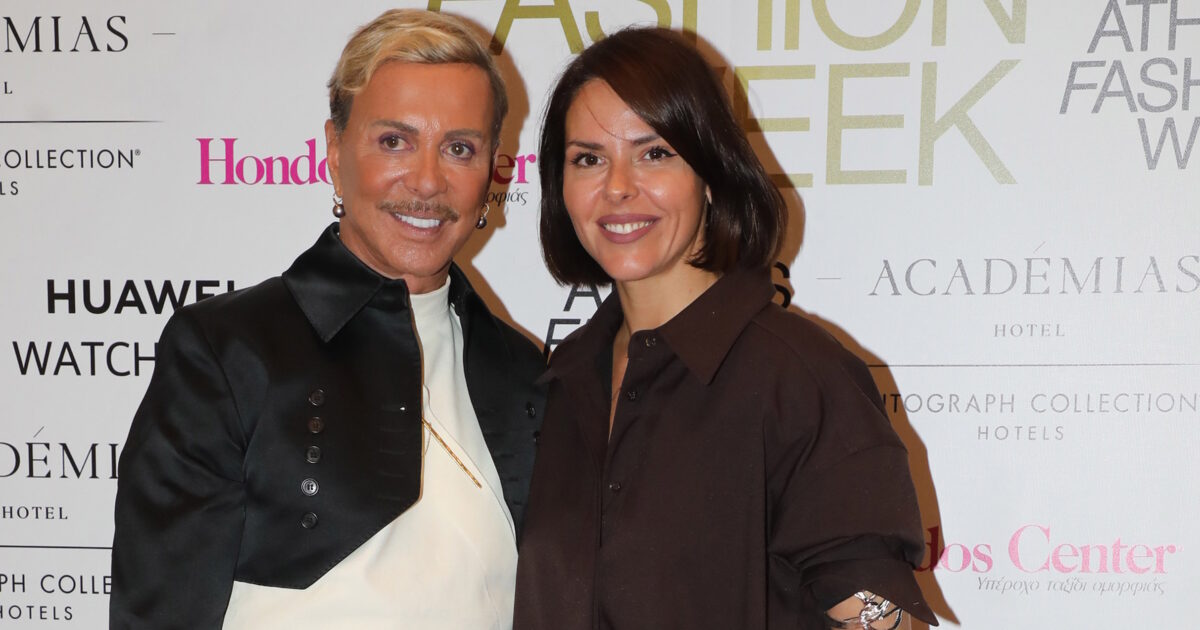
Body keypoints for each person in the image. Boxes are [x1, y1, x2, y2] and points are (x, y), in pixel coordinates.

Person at [110, 10, 544, 629]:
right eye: (394, 141)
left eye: (459, 148)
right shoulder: (227, 351)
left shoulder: (523, 372)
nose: (427, 181)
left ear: (491, 171)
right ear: (335, 152)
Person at [513, 27, 937, 630]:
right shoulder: (562, 380)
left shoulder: (797, 378)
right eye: (589, 159)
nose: (617, 187)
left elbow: (880, 617)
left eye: (655, 153)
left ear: (710, 174)